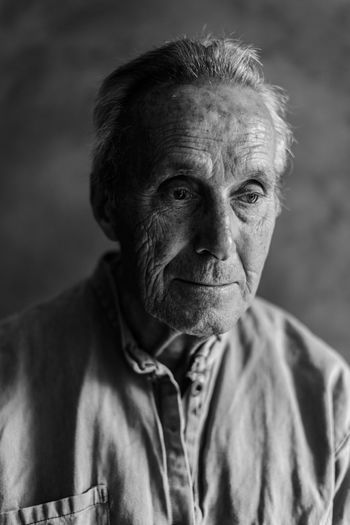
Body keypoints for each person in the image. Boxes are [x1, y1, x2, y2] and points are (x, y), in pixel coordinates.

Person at [0, 37, 349, 525]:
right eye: (181, 192)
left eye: (248, 195)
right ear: (106, 202)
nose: (220, 243)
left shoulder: (329, 401)